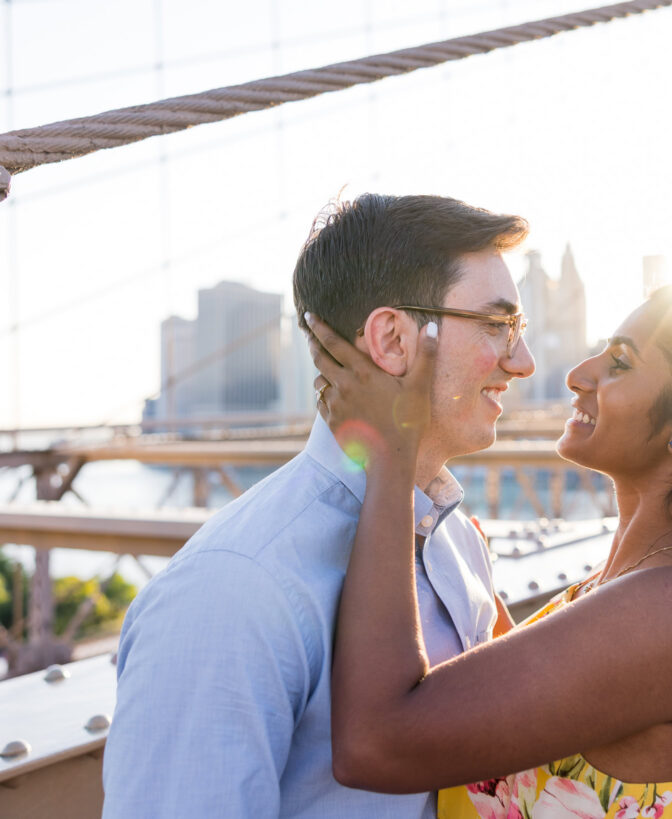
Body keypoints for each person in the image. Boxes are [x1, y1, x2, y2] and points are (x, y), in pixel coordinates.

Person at [305, 280, 672, 818]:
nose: (576, 374)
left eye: (620, 362)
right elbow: (538, 724)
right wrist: (464, 570)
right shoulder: (638, 585)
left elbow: (374, 745)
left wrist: (392, 456)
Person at [102, 193, 536, 818]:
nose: (521, 361)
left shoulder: (457, 543)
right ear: (392, 339)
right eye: (497, 325)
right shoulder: (233, 589)